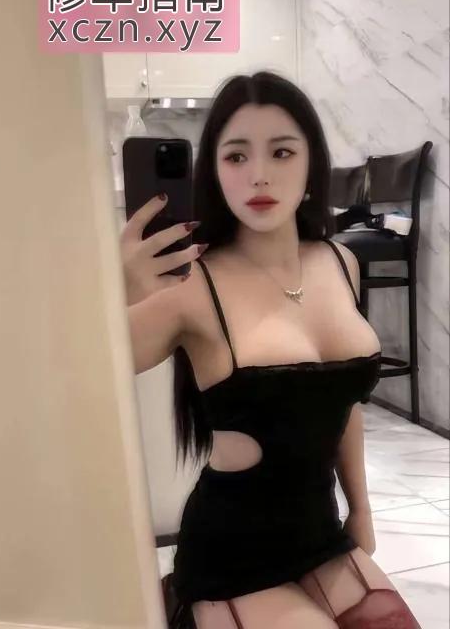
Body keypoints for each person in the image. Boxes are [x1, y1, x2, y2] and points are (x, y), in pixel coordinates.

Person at [121, 72, 422, 628]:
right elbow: (84, 372)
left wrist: (360, 507)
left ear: (311, 166)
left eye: (282, 152)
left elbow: (340, 403)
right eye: (236, 156)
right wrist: (120, 293)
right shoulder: (189, 284)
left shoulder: (340, 263)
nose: (259, 174)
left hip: (320, 535)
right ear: (214, 172)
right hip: (230, 554)